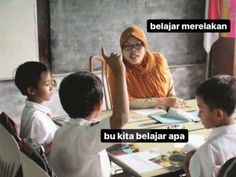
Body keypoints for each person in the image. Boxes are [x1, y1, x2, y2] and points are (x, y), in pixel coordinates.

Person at [49, 48, 129, 177]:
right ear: (98, 105)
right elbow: (121, 118)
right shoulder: (88, 136)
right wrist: (119, 72)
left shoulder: (60, 132)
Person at [107, 26, 185, 109]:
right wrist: (162, 101)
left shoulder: (159, 60)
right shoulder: (118, 68)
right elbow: (123, 102)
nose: (133, 50)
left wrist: (173, 101)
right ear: (122, 49)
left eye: (138, 45)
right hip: (135, 116)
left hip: (165, 112)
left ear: (145, 46)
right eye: (127, 46)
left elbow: (170, 86)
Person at [183, 75, 236, 177]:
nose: (198, 115)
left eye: (201, 110)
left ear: (218, 114)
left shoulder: (207, 152)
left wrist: (192, 167)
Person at [14, 61, 58, 155]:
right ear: (31, 90)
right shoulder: (36, 119)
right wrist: (60, 138)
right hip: (49, 165)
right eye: (47, 84)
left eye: (52, 82)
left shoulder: (31, 110)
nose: (51, 87)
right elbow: (36, 155)